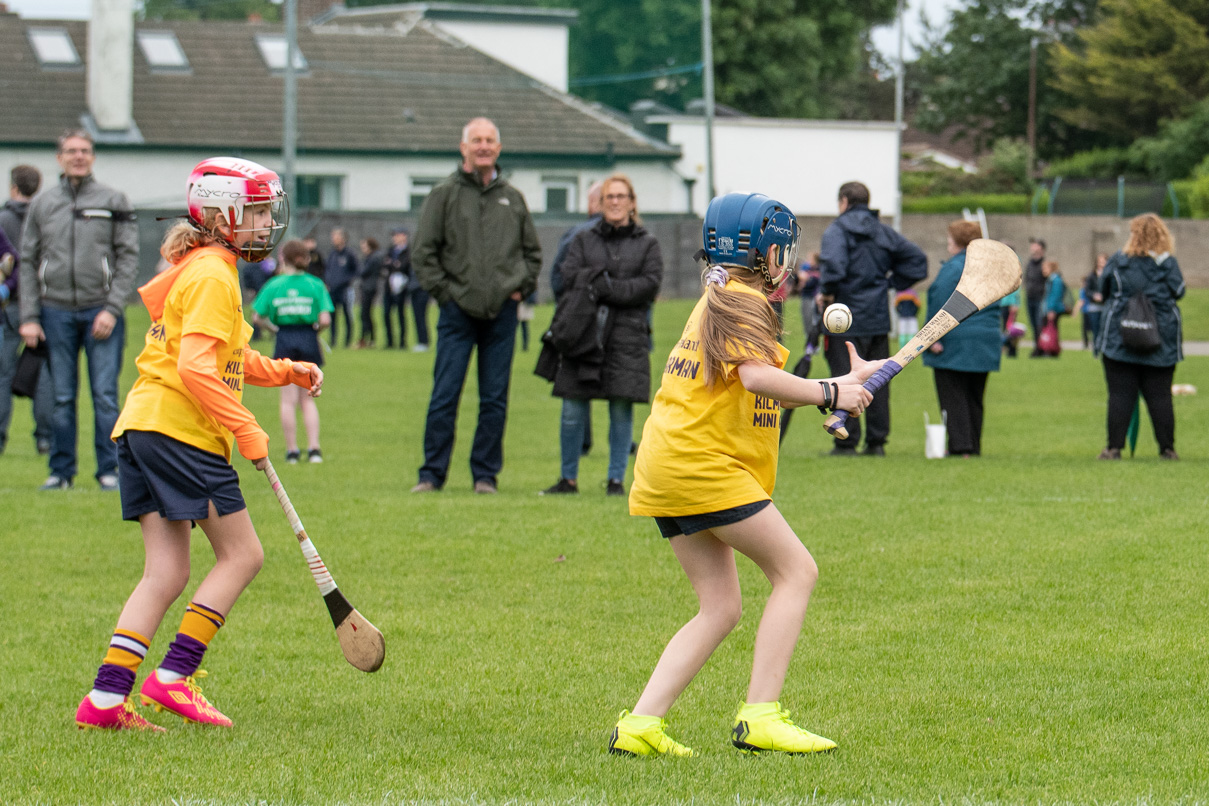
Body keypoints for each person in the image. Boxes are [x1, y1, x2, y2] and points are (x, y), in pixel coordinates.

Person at [612, 192, 880, 757]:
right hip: (702, 466)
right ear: (764, 251)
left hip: (668, 466)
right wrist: (831, 391)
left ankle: (640, 726)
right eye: (782, 246)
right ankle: (760, 716)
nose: (786, 256)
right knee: (796, 571)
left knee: (721, 606)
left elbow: (751, 387)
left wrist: (849, 382)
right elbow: (758, 378)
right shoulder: (743, 301)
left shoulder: (721, 295)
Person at [73, 157, 323, 731]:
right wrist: (244, 427)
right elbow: (195, 368)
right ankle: (173, 677)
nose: (266, 225)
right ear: (220, 213)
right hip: (181, 432)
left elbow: (223, 358)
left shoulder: (205, 265)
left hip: (143, 426)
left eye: (266, 212)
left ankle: (105, 702)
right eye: (257, 212)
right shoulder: (213, 273)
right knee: (244, 555)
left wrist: (286, 370)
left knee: (165, 572)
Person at [411, 117, 542, 494]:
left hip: (502, 313)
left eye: (490, 140)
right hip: (457, 312)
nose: (483, 146)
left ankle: (485, 476)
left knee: (495, 398)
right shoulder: (444, 194)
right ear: (463, 147)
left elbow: (532, 254)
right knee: (445, 395)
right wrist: (445, 295)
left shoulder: (512, 198)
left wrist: (519, 289)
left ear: (498, 149)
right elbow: (423, 254)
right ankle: (431, 475)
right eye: (476, 140)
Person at [18, 130, 139, 491]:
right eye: (71, 151)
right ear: (59, 158)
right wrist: (28, 316)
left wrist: (113, 308)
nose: (78, 156)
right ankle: (61, 472)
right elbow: (27, 260)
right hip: (54, 312)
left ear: (93, 156)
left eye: (85, 151)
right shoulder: (42, 204)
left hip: (101, 313)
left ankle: (110, 471)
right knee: (61, 397)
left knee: (105, 396)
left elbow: (128, 258)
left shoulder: (114, 199)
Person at [538, 174, 662, 497]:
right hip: (584, 332)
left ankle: (616, 480)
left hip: (627, 336)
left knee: (621, 409)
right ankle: (568, 479)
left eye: (622, 196)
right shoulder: (583, 239)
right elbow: (569, 275)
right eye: (610, 197)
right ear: (600, 202)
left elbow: (648, 285)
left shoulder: (647, 243)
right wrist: (614, 286)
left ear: (632, 202)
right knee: (572, 409)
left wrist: (604, 286)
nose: (616, 202)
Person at [816, 181, 927, 456]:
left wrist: (828, 293)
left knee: (844, 377)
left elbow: (833, 267)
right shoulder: (883, 232)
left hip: (843, 319)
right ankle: (876, 442)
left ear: (843, 201)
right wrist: (890, 282)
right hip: (877, 317)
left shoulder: (837, 230)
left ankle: (846, 441)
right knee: (878, 378)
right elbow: (918, 262)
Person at [1095, 214, 1184, 460]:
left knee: (1120, 394)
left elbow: (1103, 290)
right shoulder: (1167, 263)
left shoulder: (1119, 261)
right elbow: (1179, 291)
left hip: (1120, 336)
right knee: (1160, 396)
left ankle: (1114, 448)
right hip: (1160, 338)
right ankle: (1167, 448)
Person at [922, 221, 1002, 457]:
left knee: (953, 395)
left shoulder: (953, 268)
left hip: (956, 340)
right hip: (985, 339)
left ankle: (960, 446)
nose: (947, 244)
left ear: (957, 241)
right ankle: (973, 446)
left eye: (950, 239)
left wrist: (932, 336)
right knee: (975, 397)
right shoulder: (989, 267)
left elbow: (940, 301)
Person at [252, 239, 333, 464]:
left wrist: (273, 329)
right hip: (308, 337)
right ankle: (314, 449)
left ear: (283, 258)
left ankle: (292, 451)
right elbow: (325, 318)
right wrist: (316, 330)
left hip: (284, 338)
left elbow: (257, 316)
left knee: (287, 400)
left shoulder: (274, 285)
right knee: (308, 398)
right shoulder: (315, 284)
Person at [0, 164, 52, 457]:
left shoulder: (2, 219)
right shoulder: (45, 218)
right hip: (41, 305)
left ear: (13, 187)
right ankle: (44, 438)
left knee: (3, 373)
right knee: (43, 372)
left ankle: (0, 436)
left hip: (8, 305)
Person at [324, 227, 358, 348]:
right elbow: (328, 270)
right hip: (332, 290)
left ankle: (347, 341)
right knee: (332, 316)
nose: (334, 239)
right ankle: (333, 340)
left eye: (336, 237)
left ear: (343, 238)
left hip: (344, 290)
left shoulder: (349, 254)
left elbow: (355, 271)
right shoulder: (332, 254)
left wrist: (346, 281)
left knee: (347, 315)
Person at [382, 227, 412, 349]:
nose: (395, 238)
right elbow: (385, 264)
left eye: (397, 235)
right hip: (389, 287)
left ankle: (402, 342)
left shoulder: (408, 252)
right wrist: (394, 264)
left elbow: (404, 266)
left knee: (400, 314)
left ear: (404, 236)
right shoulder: (391, 250)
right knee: (386, 314)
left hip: (401, 287)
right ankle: (389, 342)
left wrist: (393, 264)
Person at [357, 237, 384, 349]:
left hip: (369, 288)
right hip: (369, 287)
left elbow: (363, 272)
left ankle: (364, 339)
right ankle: (370, 339)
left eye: (364, 246)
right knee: (366, 314)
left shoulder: (373, 258)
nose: (363, 249)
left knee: (364, 314)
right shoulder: (372, 257)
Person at [1038, 259, 1068, 356]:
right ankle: (1049, 349)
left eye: (1045, 268)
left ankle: (1051, 349)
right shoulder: (1051, 279)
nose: (1043, 270)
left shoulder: (1056, 280)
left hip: (1052, 310)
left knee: (1051, 330)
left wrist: (1051, 310)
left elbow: (1055, 296)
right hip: (1048, 309)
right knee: (1049, 329)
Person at [1023, 237, 1047, 357]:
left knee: (1039, 324)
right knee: (1033, 324)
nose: (1032, 248)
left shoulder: (1044, 264)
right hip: (1030, 298)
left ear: (1041, 249)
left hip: (1040, 299)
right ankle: (1037, 347)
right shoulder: (1030, 263)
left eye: (1035, 246)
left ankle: (1041, 349)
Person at [1081, 253, 1108, 354]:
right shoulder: (1091, 276)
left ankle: (1104, 351)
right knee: (1095, 330)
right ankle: (1096, 351)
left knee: (1104, 330)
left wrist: (1104, 296)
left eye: (1103, 261)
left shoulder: (1109, 275)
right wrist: (1094, 295)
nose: (1101, 263)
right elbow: (1087, 290)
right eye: (1100, 261)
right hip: (1094, 307)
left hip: (1105, 307)